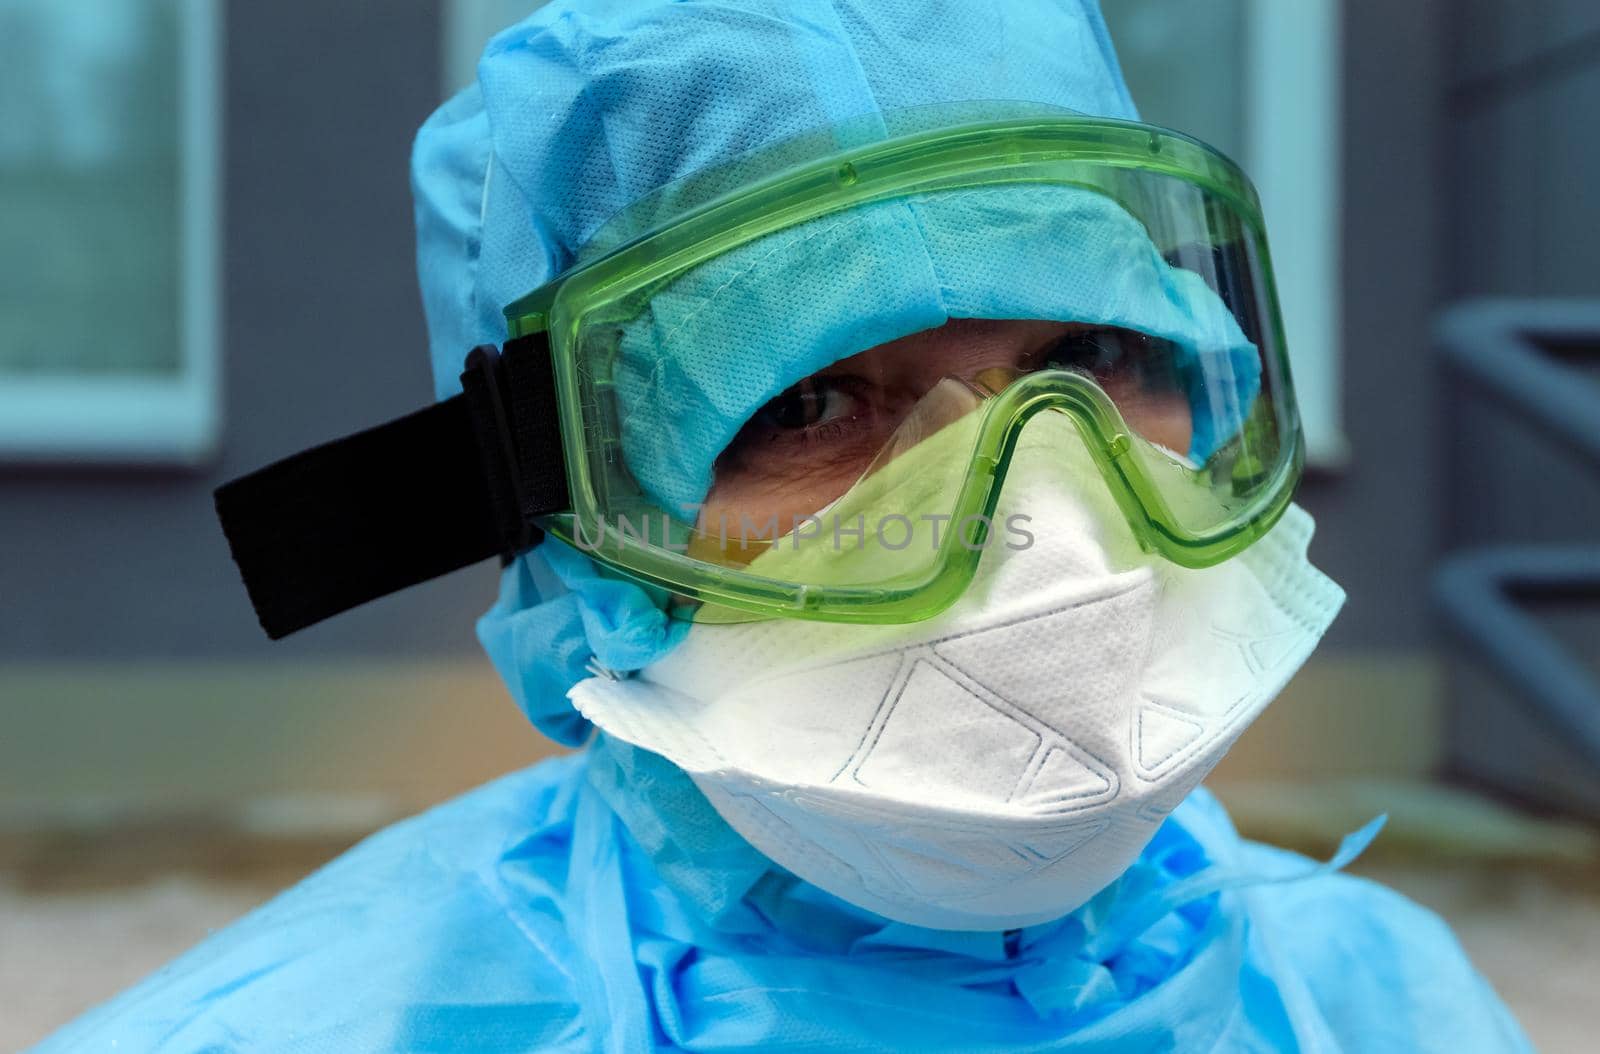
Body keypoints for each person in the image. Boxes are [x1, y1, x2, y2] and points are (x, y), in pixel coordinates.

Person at [37, 1, 1531, 1050]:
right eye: (812, 406)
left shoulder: (1392, 1001)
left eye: (1088, 362)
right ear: (576, 535)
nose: (1044, 527)